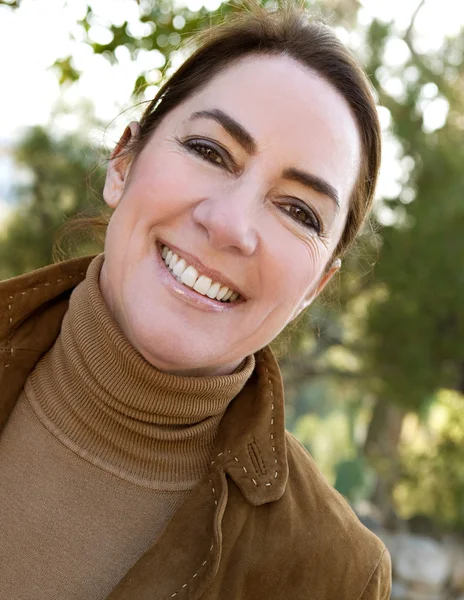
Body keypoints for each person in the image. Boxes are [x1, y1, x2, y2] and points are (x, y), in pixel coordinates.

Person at [0, 3, 391, 599]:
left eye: (298, 211)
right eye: (210, 152)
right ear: (123, 161)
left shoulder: (334, 575)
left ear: (315, 288)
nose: (231, 224)